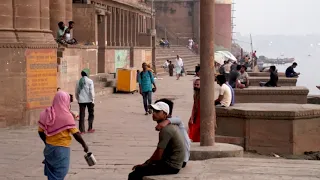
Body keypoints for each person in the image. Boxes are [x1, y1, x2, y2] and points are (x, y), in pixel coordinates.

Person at [38, 91, 89, 180]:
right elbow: (76, 134)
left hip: (49, 149)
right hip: (62, 149)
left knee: (51, 173)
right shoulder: (67, 116)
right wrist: (84, 145)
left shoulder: (46, 113)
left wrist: (46, 142)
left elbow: (40, 131)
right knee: (60, 173)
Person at [128, 102, 185, 180]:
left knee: (134, 175)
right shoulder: (169, 126)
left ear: (165, 114)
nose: (154, 113)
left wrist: (145, 164)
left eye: (157, 112)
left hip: (172, 166)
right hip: (172, 162)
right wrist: (146, 163)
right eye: (153, 111)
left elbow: (158, 155)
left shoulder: (166, 130)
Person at [154, 98, 191, 168]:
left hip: (181, 161)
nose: (154, 113)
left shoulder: (174, 123)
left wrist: (166, 121)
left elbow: (179, 120)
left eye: (157, 111)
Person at [75, 68, 95, 134]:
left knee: (82, 115)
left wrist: (78, 99)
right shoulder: (90, 81)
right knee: (91, 114)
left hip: (81, 100)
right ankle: (90, 128)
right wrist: (93, 99)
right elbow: (91, 91)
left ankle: (82, 130)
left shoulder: (78, 81)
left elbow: (76, 92)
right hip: (89, 100)